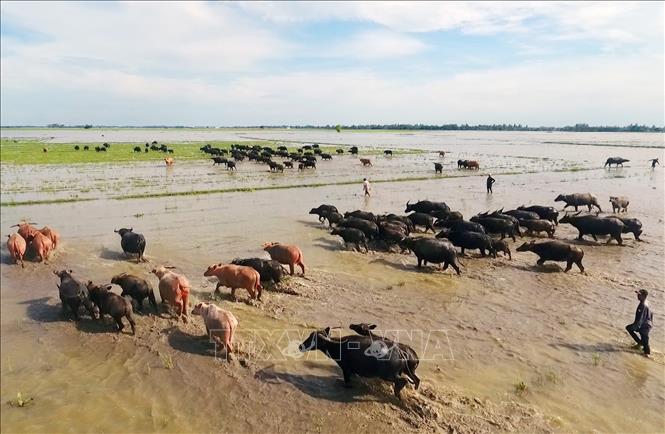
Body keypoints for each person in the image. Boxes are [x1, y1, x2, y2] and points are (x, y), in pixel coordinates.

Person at [626, 289, 653, 357]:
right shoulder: (647, 302)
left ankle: (647, 354)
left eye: (639, 294)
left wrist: (636, 326)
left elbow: (639, 318)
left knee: (645, 342)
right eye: (637, 294)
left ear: (644, 296)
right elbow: (651, 314)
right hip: (648, 323)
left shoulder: (642, 305)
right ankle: (640, 344)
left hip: (644, 325)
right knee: (644, 339)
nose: (637, 295)